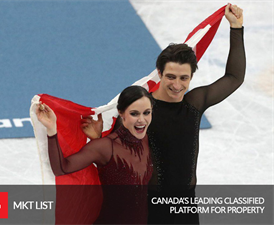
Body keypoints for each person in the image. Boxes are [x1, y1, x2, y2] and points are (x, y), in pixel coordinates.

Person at [83, 3, 245, 225]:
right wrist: (96, 138)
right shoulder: (141, 110)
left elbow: (234, 77)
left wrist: (236, 28)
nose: (177, 85)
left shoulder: (194, 104)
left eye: (183, 78)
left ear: (191, 76)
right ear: (159, 73)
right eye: (170, 77)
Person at [36, 85, 154, 225]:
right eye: (134, 114)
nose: (142, 120)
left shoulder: (146, 140)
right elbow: (61, 168)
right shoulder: (105, 146)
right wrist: (51, 130)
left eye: (147, 113)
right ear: (121, 113)